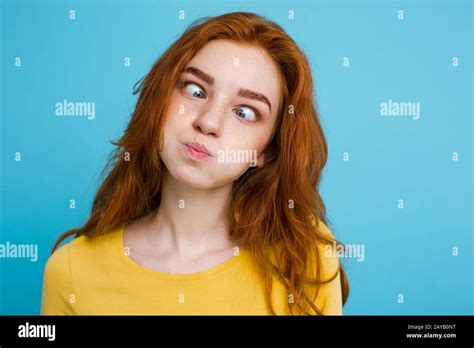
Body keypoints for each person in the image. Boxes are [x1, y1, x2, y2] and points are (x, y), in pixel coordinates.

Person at [41, 11, 349, 315]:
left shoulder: (303, 258)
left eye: (245, 112)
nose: (208, 122)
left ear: (266, 150)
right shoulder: (71, 271)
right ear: (158, 100)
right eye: (195, 90)